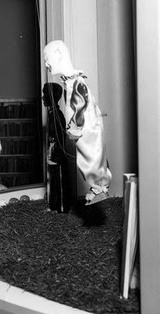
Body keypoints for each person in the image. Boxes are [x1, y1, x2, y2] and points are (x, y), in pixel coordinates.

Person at [43, 40, 112, 205]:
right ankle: (98, 187)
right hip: (84, 130)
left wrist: (74, 128)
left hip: (85, 129)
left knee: (91, 158)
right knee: (88, 159)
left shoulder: (76, 83)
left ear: (59, 54)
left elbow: (79, 104)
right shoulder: (71, 81)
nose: (46, 64)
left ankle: (100, 188)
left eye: (47, 58)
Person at [43, 82, 71, 213]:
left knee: (59, 182)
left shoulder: (57, 115)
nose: (43, 98)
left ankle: (61, 209)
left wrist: (53, 155)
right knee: (54, 181)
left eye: (45, 95)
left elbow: (58, 139)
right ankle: (54, 207)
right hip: (52, 154)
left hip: (57, 155)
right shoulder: (51, 114)